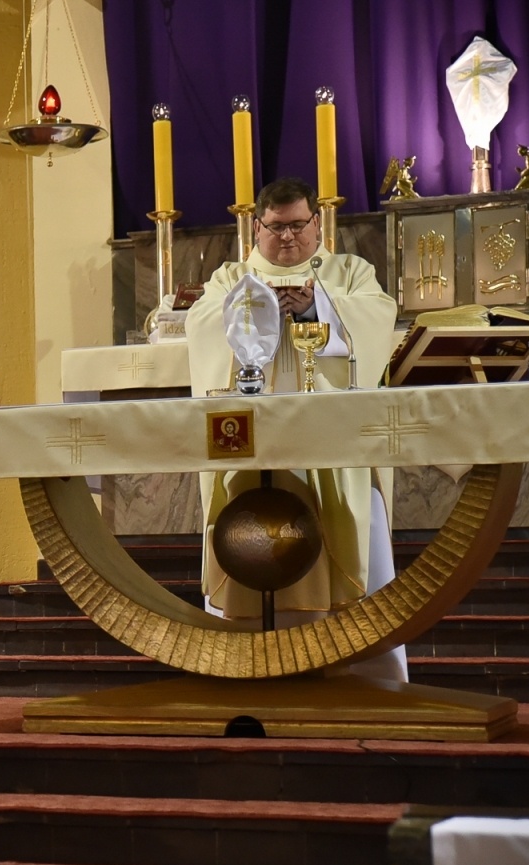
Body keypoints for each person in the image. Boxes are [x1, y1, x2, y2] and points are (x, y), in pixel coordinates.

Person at [185, 176, 405, 680]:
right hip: (253, 452)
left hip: (334, 453)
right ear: (256, 227)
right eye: (277, 227)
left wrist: (313, 309)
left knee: (353, 538)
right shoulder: (230, 278)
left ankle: (364, 682)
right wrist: (256, 311)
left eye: (299, 225)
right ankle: (247, 672)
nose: (288, 237)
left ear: (316, 223)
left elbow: (377, 319)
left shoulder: (348, 272)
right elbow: (200, 328)